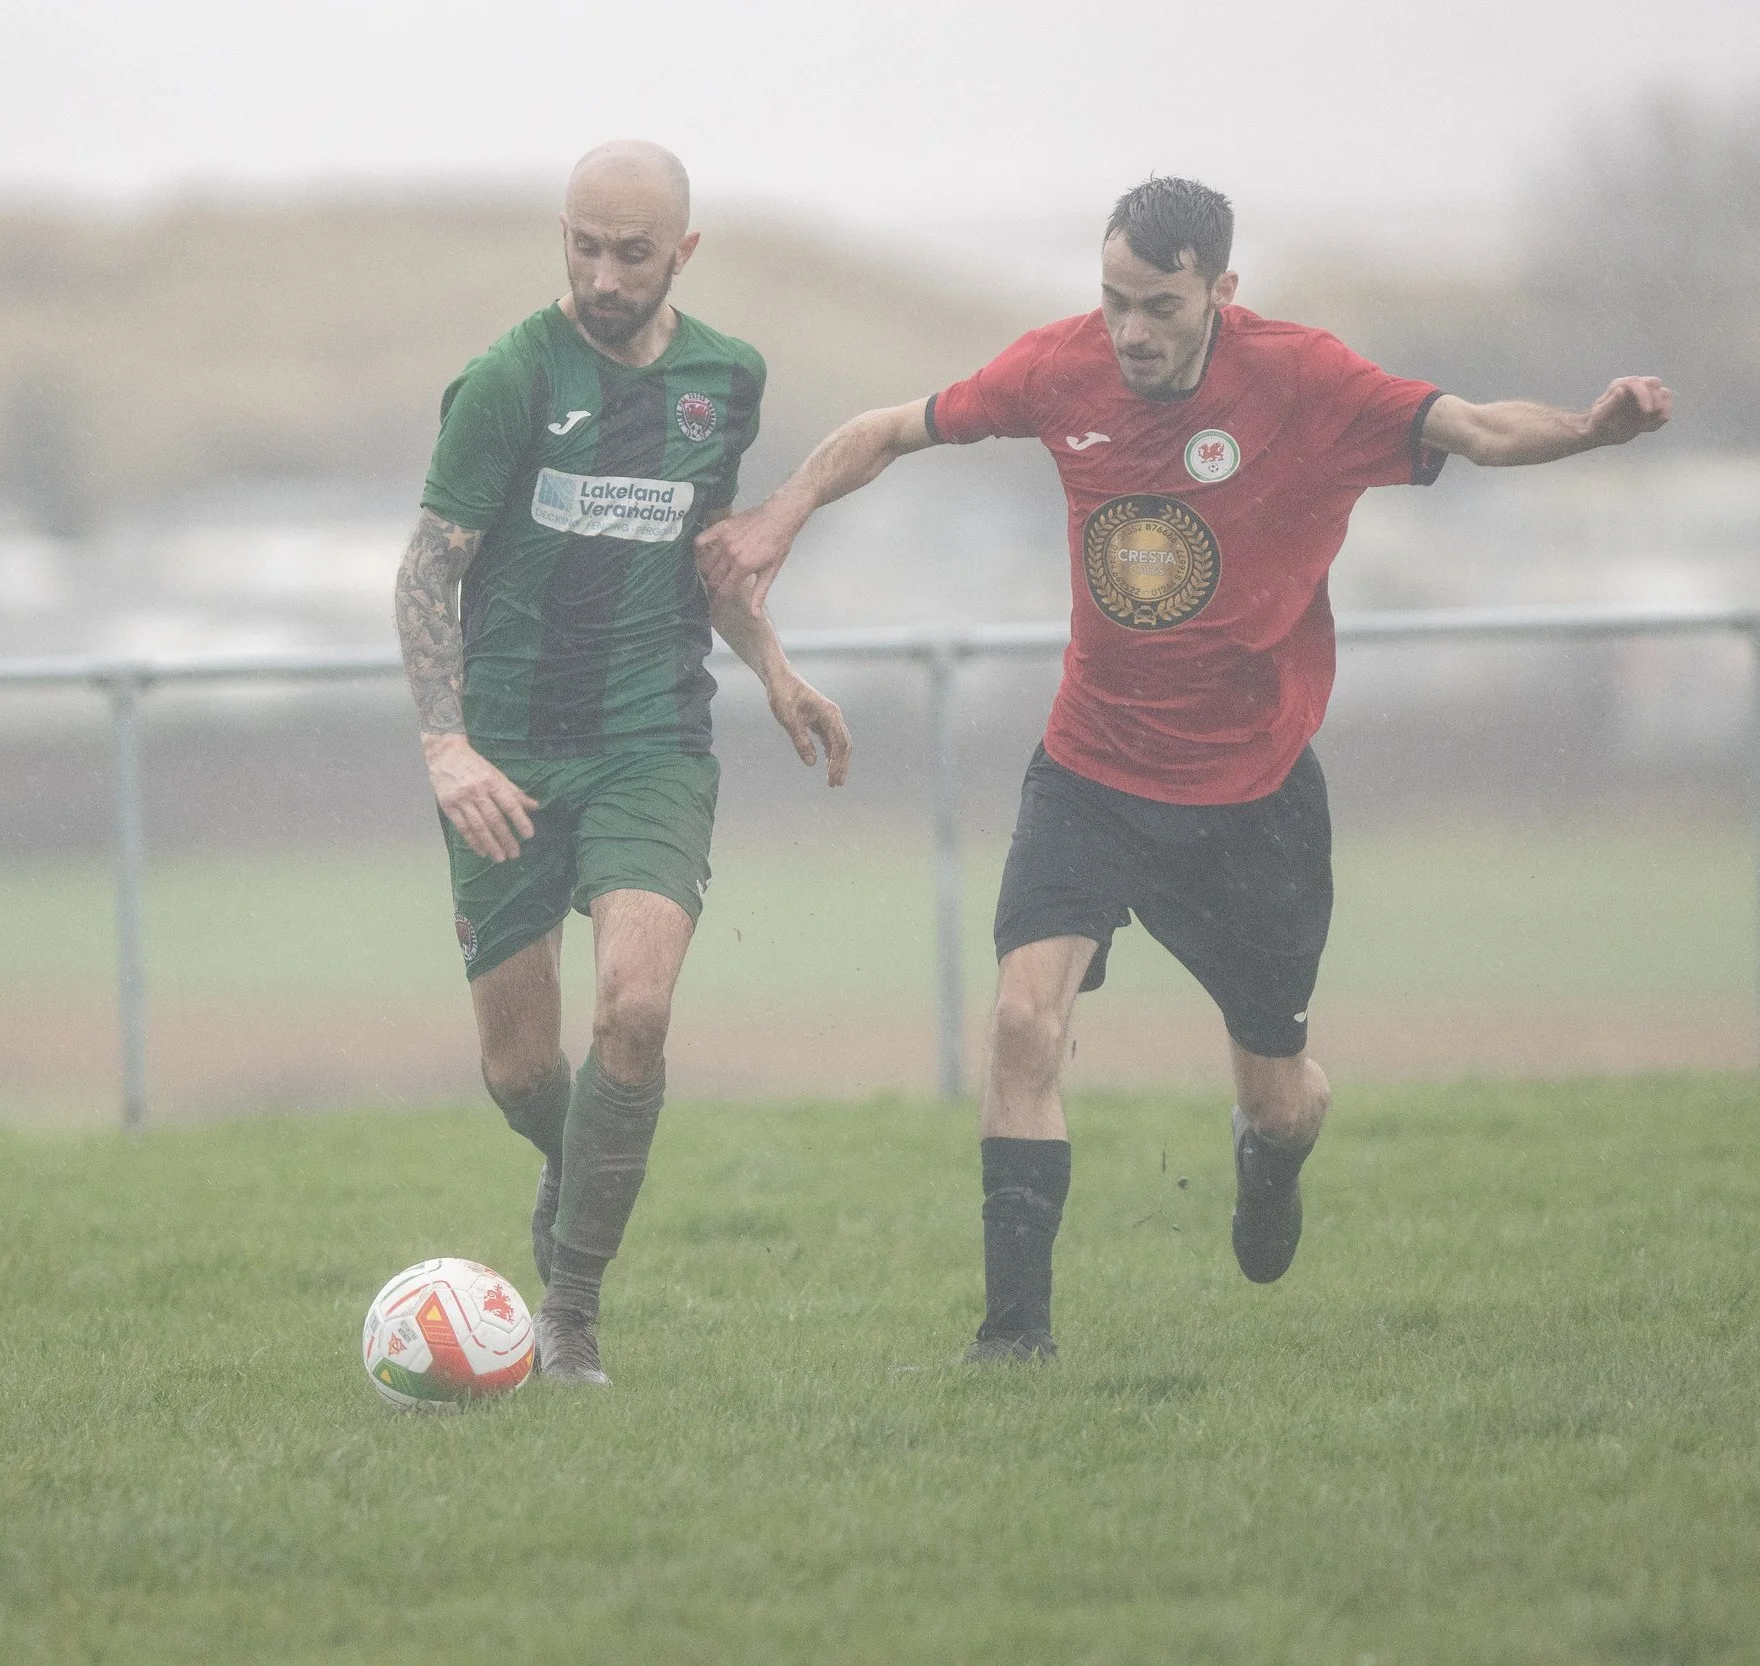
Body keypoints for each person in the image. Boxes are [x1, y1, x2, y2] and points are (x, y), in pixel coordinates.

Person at [697, 176, 1670, 1361]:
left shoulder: (1306, 379)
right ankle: (1014, 1340)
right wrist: (783, 513)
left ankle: (1269, 1157)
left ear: (1222, 289)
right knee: (1019, 1020)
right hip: (1091, 771)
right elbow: (890, 429)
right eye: (1113, 301)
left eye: (1158, 306)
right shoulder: (1061, 367)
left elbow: (1469, 426)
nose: (1131, 331)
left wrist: (1587, 428)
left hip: (1251, 800)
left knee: (1282, 1093)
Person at [396, 141, 853, 1385]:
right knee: (520, 1068)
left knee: (635, 1013)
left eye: (632, 254)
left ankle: (573, 1311)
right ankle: (578, 1158)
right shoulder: (504, 379)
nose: (603, 275)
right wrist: (444, 745)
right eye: (583, 246)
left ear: (683, 254)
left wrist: (773, 667)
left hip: (652, 737)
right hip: (503, 747)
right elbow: (428, 567)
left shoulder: (725, 380)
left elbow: (704, 555)